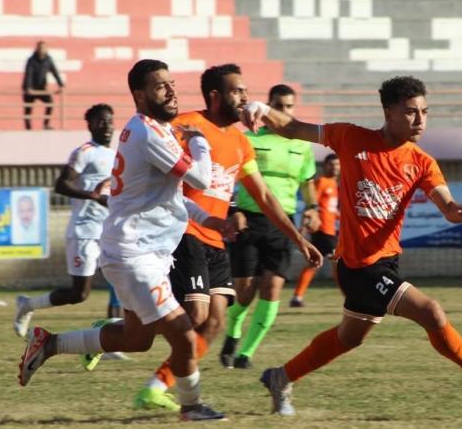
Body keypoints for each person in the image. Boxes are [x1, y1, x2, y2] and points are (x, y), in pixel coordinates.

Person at [239, 76, 462, 416]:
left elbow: (449, 208)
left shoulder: (422, 162)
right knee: (431, 311)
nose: (420, 120)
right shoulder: (351, 137)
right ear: (388, 112)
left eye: (425, 112)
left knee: (349, 338)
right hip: (358, 266)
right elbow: (293, 128)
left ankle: (281, 377)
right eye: (410, 112)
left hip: (386, 262)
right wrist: (263, 110)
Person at [18, 59, 228, 421]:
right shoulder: (149, 133)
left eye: (172, 83)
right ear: (140, 94)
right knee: (183, 332)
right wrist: (201, 142)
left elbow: (166, 196)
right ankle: (191, 407)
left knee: (137, 339)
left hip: (143, 253)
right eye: (161, 86)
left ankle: (49, 342)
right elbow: (200, 180)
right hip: (136, 256)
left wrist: (205, 218)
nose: (172, 90)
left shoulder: (151, 131)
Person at [132, 64, 322, 411]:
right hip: (183, 230)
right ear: (216, 96)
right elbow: (152, 167)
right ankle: (123, 333)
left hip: (216, 238)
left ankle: (155, 384)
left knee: (214, 320)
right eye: (237, 91)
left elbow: (264, 196)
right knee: (196, 315)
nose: (245, 97)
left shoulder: (239, 141)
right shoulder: (185, 125)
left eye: (246, 91)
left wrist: (298, 238)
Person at [218, 84, 321, 370]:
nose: (283, 111)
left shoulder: (302, 145)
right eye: (278, 105)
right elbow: (227, 178)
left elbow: (307, 183)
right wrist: (233, 210)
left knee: (272, 287)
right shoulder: (248, 137)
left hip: (282, 223)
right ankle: (233, 330)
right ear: (268, 107)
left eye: (288, 106)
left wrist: (312, 208)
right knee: (244, 292)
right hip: (249, 220)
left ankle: (245, 354)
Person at [13, 104, 125, 362]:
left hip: (107, 231)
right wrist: (92, 196)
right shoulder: (85, 153)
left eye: (109, 121)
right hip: (84, 231)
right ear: (90, 125)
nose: (106, 125)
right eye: (100, 121)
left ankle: (110, 343)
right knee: (79, 294)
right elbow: (61, 184)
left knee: (122, 281)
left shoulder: (116, 155)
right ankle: (27, 304)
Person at [290, 153, 340, 307]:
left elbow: (329, 209)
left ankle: (297, 297)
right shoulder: (322, 182)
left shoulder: (333, 184)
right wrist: (305, 226)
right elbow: (311, 205)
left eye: (337, 164)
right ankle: (352, 296)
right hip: (322, 230)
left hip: (329, 231)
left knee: (314, 264)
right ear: (324, 166)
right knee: (338, 263)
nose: (335, 167)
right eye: (331, 164)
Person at [22, 41, 64, 130]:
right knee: (28, 109)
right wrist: (28, 88)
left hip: (41, 88)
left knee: (50, 103)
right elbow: (28, 74)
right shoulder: (31, 60)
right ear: (37, 49)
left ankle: (46, 124)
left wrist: (61, 85)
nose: (42, 50)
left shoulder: (48, 60)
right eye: (40, 48)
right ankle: (28, 128)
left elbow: (55, 72)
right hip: (30, 88)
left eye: (43, 48)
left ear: (46, 49)